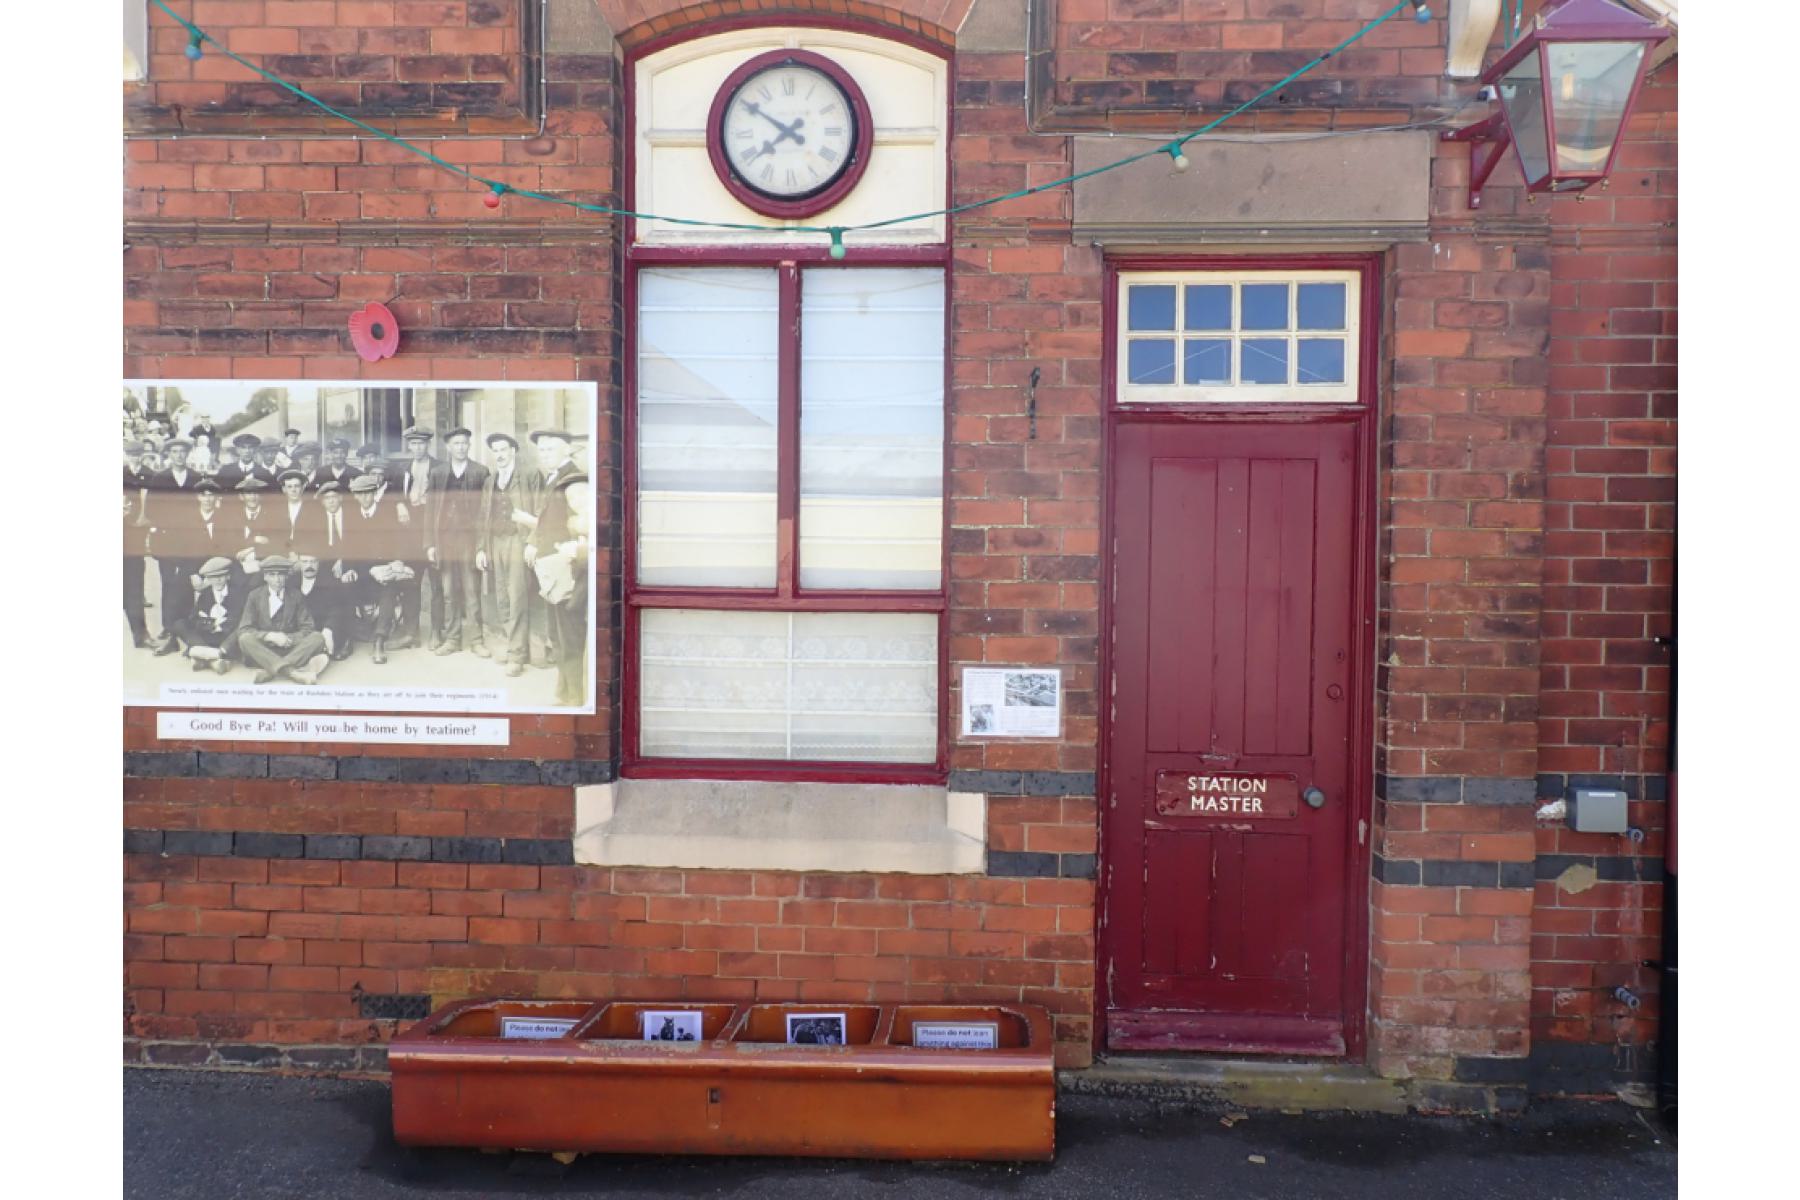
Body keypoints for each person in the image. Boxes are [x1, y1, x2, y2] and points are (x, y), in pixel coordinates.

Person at [476, 431, 545, 678]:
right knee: (502, 595)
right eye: (495, 451)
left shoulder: (529, 475)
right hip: (496, 541)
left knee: (517, 596)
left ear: (513, 451)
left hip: (518, 539)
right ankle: (512, 643)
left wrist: (532, 542)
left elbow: (540, 510)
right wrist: (481, 548)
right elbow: (484, 515)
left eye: (503, 449)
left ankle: (517, 654)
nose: (499, 455)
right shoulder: (491, 480)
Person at [426, 426, 491, 658]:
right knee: (448, 591)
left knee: (472, 591)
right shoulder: (437, 473)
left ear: (469, 445)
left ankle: (476, 640)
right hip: (444, 541)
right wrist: (430, 545)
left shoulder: (481, 472)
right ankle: (453, 639)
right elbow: (430, 510)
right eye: (456, 444)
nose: (461, 447)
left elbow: (486, 512)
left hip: (469, 542)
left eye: (464, 443)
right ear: (448, 447)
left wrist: (482, 546)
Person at [532, 471, 590, 707]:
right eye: (571, 498)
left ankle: (575, 696)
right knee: (561, 638)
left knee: (572, 641)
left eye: (581, 495)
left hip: (581, 589)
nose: (576, 501)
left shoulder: (593, 521)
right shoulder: (574, 522)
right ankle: (565, 691)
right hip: (568, 583)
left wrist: (577, 552)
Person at [227, 555, 330, 685]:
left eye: (281, 575)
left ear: (286, 576)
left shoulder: (296, 595)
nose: (277, 579)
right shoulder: (254, 596)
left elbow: (308, 628)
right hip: (263, 649)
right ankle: (294, 673)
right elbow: (244, 629)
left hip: (290, 648)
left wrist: (288, 638)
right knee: (245, 639)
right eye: (272, 575)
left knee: (318, 637)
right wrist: (269, 636)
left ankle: (269, 671)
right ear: (265, 577)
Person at [344, 473, 411, 665]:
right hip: (362, 573)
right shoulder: (351, 516)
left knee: (388, 591)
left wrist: (397, 561)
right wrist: (350, 569)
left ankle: (379, 640)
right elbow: (347, 547)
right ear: (355, 496)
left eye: (368, 493)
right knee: (343, 587)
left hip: (384, 570)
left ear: (375, 494)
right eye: (360, 494)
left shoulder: (388, 514)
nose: (364, 498)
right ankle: (347, 636)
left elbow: (399, 542)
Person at [144, 438, 200, 642]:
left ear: (187, 454)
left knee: (188, 579)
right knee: (168, 582)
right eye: (174, 452)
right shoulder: (160, 478)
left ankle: (187, 622)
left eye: (182, 452)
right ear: (169, 454)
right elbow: (151, 509)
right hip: (167, 539)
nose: (179, 455)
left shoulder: (195, 477)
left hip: (190, 539)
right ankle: (168, 626)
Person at [388, 427, 438, 651]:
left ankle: (437, 632)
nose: (417, 448)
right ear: (409, 446)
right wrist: (400, 504)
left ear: (428, 445)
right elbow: (392, 491)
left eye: (422, 444)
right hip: (410, 530)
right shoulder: (403, 469)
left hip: (433, 528)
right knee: (411, 582)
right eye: (414, 444)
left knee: (437, 582)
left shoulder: (439, 467)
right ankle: (411, 632)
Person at [167, 556, 245, 674]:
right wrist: (209, 625)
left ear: (228, 576)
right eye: (213, 577)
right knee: (180, 624)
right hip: (208, 635)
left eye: (221, 576)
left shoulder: (237, 593)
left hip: (226, 636)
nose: (218, 581)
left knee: (242, 629)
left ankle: (201, 655)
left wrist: (220, 626)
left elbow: (239, 618)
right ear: (208, 579)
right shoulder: (206, 594)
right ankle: (214, 660)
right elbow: (194, 618)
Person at [292, 542, 354, 662]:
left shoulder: (329, 581)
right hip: (301, 629)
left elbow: (337, 608)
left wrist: (328, 629)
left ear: (319, 563)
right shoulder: (291, 582)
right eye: (305, 562)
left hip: (324, 628)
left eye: (313, 561)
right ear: (299, 563)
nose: (309, 566)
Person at [274, 469, 315, 549]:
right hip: (281, 552)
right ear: (284, 489)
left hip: (305, 553)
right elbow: (274, 537)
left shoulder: (313, 510)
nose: (293, 490)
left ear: (302, 488)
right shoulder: (276, 510)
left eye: (297, 486)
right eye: (289, 487)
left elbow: (315, 538)